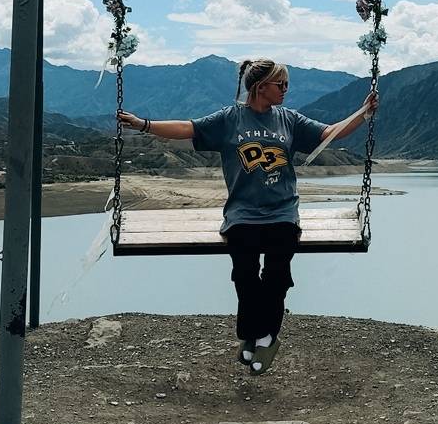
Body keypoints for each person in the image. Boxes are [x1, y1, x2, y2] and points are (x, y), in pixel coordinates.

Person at [118, 57, 377, 375]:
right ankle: (251, 334)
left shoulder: (289, 119)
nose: (285, 89)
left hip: (282, 212)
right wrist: (143, 124)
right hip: (242, 215)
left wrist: (363, 114)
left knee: (276, 276)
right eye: (281, 84)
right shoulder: (230, 119)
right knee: (244, 275)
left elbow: (330, 133)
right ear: (260, 87)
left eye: (287, 84)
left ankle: (266, 337)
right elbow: (188, 128)